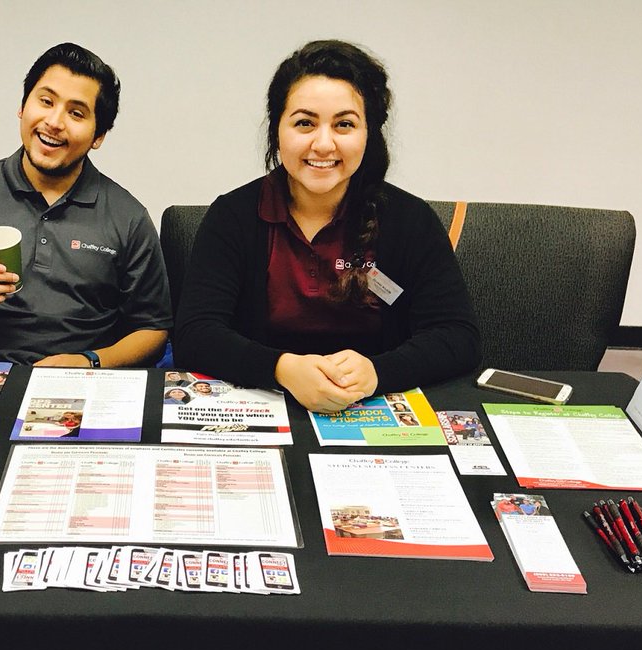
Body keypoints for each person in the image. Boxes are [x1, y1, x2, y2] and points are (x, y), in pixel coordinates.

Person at [173, 40, 480, 413]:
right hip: (268, 405)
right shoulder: (233, 216)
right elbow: (195, 334)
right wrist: (281, 368)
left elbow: (457, 337)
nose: (323, 144)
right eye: (304, 123)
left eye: (344, 125)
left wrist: (377, 373)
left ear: (368, 134)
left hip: (372, 409)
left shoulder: (409, 220)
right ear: (277, 130)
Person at [0, 43, 172, 367]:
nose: (54, 121)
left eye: (76, 113)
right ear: (23, 107)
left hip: (83, 388)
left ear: (98, 135)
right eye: (45, 101)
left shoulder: (127, 216)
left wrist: (87, 361)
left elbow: (153, 330)